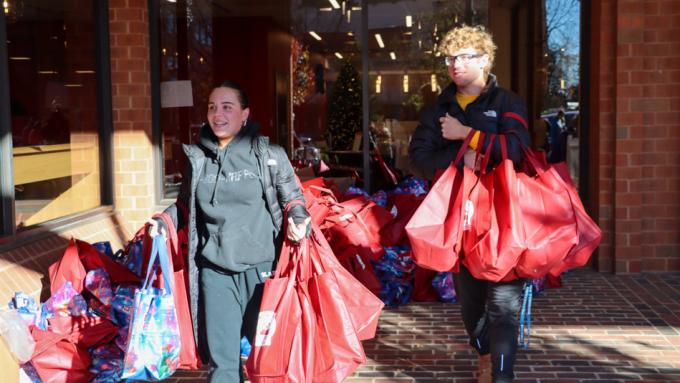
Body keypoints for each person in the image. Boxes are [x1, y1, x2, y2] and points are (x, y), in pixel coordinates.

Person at [148, 81, 311, 383]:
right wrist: (163, 221)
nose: (217, 114)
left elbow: (292, 198)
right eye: (212, 107)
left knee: (270, 359)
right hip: (215, 272)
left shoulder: (268, 155)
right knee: (222, 364)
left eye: (227, 107)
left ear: (245, 114)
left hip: (262, 271)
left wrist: (298, 218)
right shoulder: (198, 159)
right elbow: (184, 205)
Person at [408, 25, 531, 383]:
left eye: (464, 56)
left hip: (505, 218)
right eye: (450, 57)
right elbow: (418, 158)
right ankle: (485, 354)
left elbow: (519, 149)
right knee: (472, 307)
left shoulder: (506, 102)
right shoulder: (439, 109)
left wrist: (468, 136)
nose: (455, 64)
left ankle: (502, 376)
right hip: (460, 222)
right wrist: (458, 158)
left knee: (504, 305)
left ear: (485, 59)